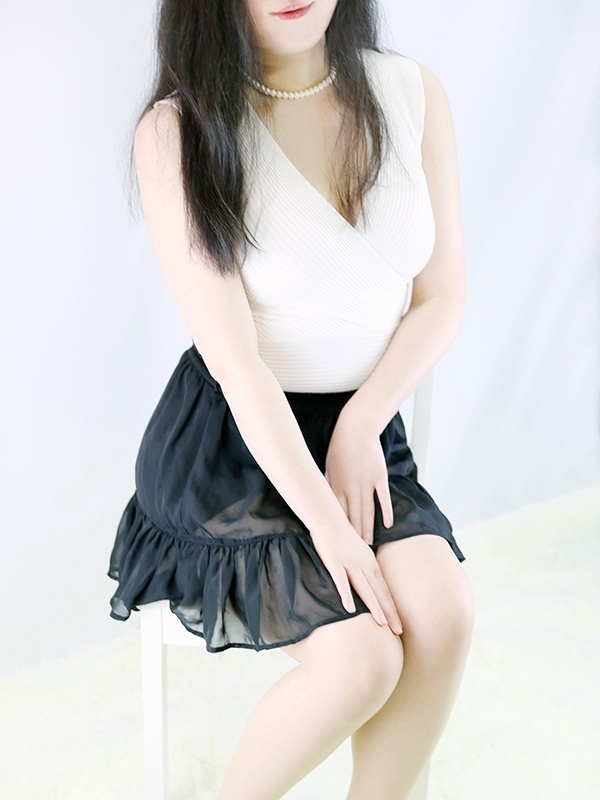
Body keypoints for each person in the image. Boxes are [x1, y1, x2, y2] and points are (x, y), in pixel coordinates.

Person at [107, 0, 475, 797]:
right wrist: (328, 527)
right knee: (362, 661)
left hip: (359, 428)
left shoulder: (412, 93)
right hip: (231, 449)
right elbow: (238, 365)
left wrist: (364, 420)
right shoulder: (178, 131)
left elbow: (441, 297)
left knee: (444, 616)